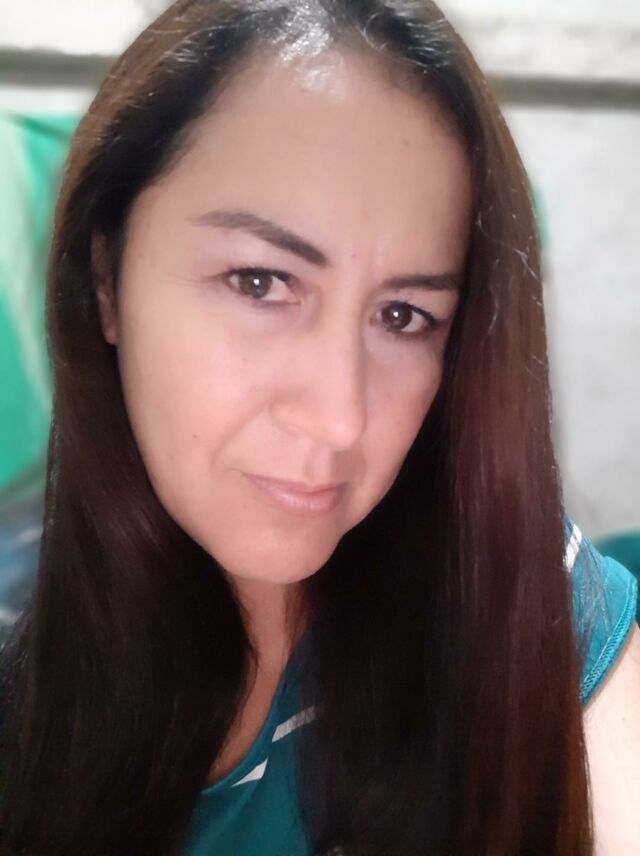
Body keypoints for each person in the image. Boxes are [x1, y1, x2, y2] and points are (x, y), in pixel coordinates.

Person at [0, 1, 638, 853]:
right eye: (260, 282)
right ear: (106, 277)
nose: (341, 418)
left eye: (404, 316)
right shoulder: (24, 679)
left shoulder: (512, 597)